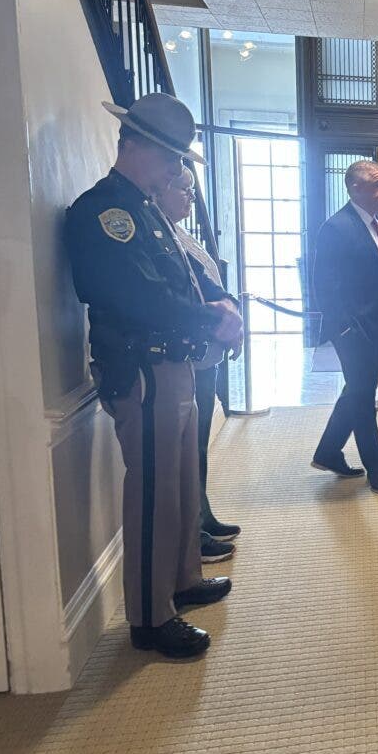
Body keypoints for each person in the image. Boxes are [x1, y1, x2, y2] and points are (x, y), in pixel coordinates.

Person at [65, 93, 241, 658]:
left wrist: (216, 305)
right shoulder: (104, 211)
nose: (176, 168)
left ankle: (183, 578)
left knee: (182, 482)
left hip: (176, 364)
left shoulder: (146, 211)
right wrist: (211, 317)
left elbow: (188, 278)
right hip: (144, 370)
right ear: (134, 146)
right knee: (153, 492)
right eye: (169, 155)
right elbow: (139, 295)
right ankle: (148, 616)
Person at [154, 167, 242, 564]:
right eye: (184, 190)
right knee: (188, 453)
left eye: (192, 191)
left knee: (198, 449)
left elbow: (212, 286)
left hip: (208, 355)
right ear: (161, 188)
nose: (191, 198)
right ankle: (195, 530)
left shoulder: (180, 234)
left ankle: (202, 514)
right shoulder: (159, 237)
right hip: (187, 360)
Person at [311, 160, 378, 494]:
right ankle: (376, 468)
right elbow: (324, 286)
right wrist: (344, 331)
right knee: (363, 396)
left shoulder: (377, 223)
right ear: (355, 188)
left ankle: (327, 451)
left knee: (356, 390)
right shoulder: (336, 228)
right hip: (354, 331)